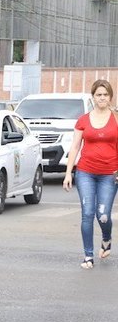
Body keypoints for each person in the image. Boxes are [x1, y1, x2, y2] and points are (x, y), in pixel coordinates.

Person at [63, 79, 118, 269]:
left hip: (109, 174)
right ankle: (88, 256)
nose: (102, 98)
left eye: (105, 94)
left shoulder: (116, 118)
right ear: (93, 97)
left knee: (103, 215)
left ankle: (106, 238)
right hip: (85, 172)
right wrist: (68, 173)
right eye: (98, 95)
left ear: (110, 96)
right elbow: (75, 146)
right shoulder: (83, 120)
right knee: (87, 213)